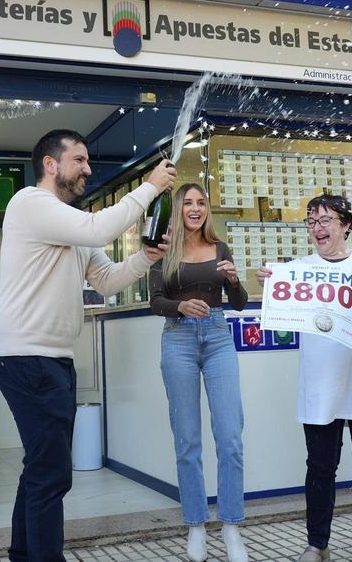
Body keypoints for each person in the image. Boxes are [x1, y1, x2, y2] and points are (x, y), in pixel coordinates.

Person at [0, 129, 176, 562]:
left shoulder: (69, 224)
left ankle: (24, 554)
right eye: (79, 160)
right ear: (51, 165)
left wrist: (146, 258)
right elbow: (97, 229)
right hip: (27, 357)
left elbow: (107, 280)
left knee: (41, 468)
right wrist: (149, 186)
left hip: (49, 360)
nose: (88, 169)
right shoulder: (31, 203)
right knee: (52, 473)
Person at [257, 193, 352, 562]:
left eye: (326, 220)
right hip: (321, 385)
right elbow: (282, 312)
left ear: (346, 225)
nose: (318, 228)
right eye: (311, 221)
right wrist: (272, 287)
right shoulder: (299, 268)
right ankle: (317, 544)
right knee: (320, 469)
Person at [148, 183, 250, 562]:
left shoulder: (220, 248)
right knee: (187, 441)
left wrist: (235, 281)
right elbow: (155, 300)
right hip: (178, 341)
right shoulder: (164, 249)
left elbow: (238, 303)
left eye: (201, 202)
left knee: (230, 437)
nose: (195, 208)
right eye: (188, 203)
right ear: (177, 209)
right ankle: (195, 526)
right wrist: (180, 306)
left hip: (219, 337)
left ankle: (231, 527)